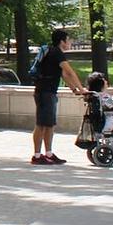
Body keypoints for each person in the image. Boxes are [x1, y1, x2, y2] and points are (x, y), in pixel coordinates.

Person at [31, 29, 86, 165]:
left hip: (48, 92)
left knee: (49, 124)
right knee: (41, 124)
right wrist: (82, 89)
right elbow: (70, 72)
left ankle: (48, 154)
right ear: (62, 41)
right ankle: (37, 156)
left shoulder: (52, 52)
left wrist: (74, 89)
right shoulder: (56, 53)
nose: (70, 42)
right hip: (45, 92)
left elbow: (64, 75)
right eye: (68, 40)